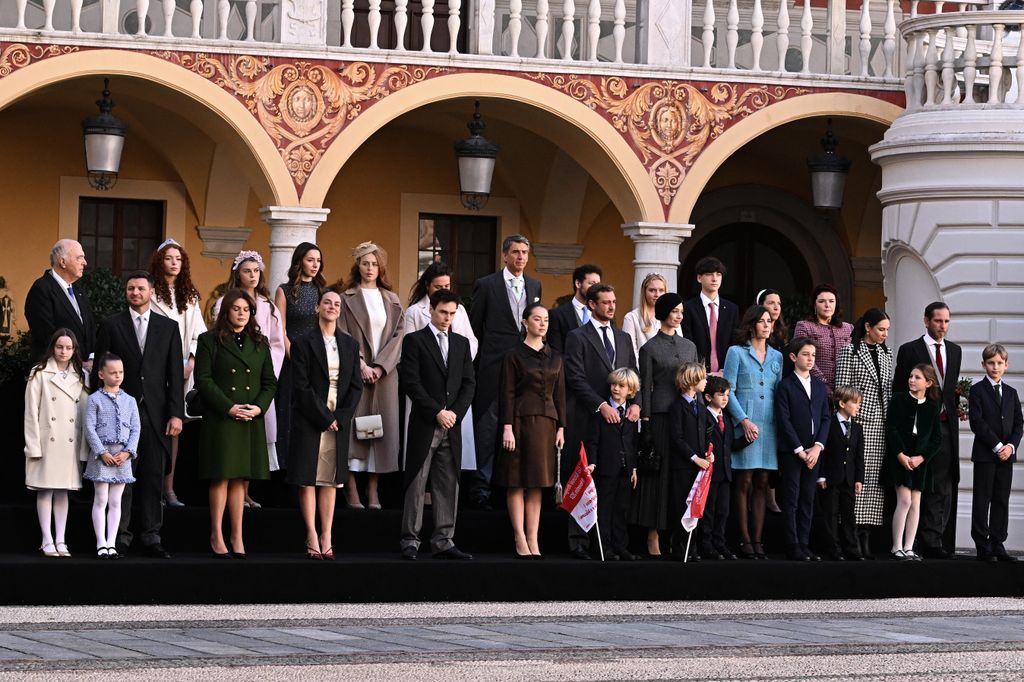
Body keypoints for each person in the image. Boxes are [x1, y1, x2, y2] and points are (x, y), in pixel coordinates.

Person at [92, 271, 183, 559]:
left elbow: (175, 376)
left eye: (140, 288)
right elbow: (101, 371)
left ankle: (151, 536)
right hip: (119, 414)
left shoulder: (168, 327)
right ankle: (120, 537)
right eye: (130, 288)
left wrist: (176, 414)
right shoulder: (110, 324)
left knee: (153, 475)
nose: (135, 293)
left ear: (152, 292)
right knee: (122, 476)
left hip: (156, 414)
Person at [194, 289, 278, 558]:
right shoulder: (209, 340)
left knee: (241, 480)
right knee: (221, 477)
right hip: (223, 417)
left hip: (250, 418)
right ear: (226, 311)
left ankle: (237, 536)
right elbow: (203, 380)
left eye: (246, 310)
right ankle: (216, 534)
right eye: (236, 309)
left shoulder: (261, 342)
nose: (242, 314)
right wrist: (229, 407)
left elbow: (269, 382)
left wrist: (258, 407)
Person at [563, 283, 639, 559]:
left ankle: (610, 544)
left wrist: (636, 403)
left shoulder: (623, 338)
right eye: (605, 302)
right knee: (584, 479)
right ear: (592, 305)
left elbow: (633, 373)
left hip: (618, 426)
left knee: (613, 489)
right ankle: (579, 542)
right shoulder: (577, 336)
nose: (611, 306)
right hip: (587, 418)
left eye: (614, 301)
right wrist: (600, 405)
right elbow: (575, 377)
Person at [399, 290, 476, 560]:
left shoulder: (461, 343)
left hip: (452, 424)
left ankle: (444, 540)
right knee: (416, 482)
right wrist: (436, 412)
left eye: (453, 313)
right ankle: (410, 540)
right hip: (425, 422)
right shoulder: (414, 341)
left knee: (448, 482)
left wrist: (454, 413)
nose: (448, 318)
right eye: (443, 312)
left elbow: (469, 383)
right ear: (431, 310)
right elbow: (410, 382)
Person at [287, 290, 363, 560]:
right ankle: (310, 533)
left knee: (331, 480)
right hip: (311, 417)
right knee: (308, 478)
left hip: (338, 419)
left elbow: (356, 386)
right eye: (327, 303)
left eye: (337, 304)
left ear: (340, 311)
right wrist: (324, 417)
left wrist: (340, 417)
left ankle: (326, 535)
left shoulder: (350, 344)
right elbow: (301, 386)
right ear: (317, 307)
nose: (332, 307)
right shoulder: (302, 342)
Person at [468, 235, 542, 510]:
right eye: (515, 252)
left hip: (524, 367)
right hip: (492, 366)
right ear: (505, 255)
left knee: (518, 426)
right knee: (487, 426)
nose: (521, 257)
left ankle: (509, 485)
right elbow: (475, 330)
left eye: (525, 252)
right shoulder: (486, 285)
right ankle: (481, 487)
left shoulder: (535, 285)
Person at [335, 241, 405, 509]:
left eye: (375, 264)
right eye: (365, 263)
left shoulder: (392, 299)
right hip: (356, 374)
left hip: (384, 376)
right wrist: (361, 364)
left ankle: (373, 490)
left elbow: (400, 336)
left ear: (381, 268)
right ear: (358, 266)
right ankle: (351, 489)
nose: (370, 268)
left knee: (379, 433)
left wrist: (380, 366)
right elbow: (343, 333)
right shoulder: (346, 298)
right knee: (355, 430)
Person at [214, 251, 287, 507]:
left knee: (254, 435)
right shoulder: (224, 301)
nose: (253, 276)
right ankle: (233, 492)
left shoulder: (268, 305)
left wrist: (269, 372)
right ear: (237, 273)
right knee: (235, 435)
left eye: (256, 271)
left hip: (258, 377)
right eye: (247, 271)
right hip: (232, 378)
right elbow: (218, 334)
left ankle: (245, 490)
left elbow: (277, 344)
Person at [892, 301, 962, 559]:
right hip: (916, 429)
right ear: (926, 321)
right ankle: (908, 543)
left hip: (944, 427)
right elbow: (899, 389)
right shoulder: (910, 349)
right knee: (914, 487)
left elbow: (949, 391)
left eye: (946, 321)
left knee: (941, 485)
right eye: (937, 321)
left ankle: (934, 541)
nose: (942, 326)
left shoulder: (955, 351)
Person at [497, 303, 566, 558]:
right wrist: (507, 427)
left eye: (545, 319)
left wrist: (562, 428)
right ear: (525, 322)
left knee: (538, 482)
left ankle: (533, 538)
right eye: (537, 319)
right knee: (516, 480)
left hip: (547, 423)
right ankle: (519, 537)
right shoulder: (513, 355)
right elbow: (507, 392)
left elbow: (561, 395)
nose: (542, 323)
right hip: (518, 422)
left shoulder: (556, 356)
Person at [631, 291, 697, 557]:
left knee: (680, 478)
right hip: (659, 417)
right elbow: (645, 388)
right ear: (664, 313)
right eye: (675, 311)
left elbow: (697, 384)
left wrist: (700, 416)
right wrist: (645, 424)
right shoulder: (649, 348)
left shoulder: (690, 346)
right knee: (658, 477)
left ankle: (678, 536)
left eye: (682, 311)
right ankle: (653, 535)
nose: (679, 315)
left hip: (685, 418)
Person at [404, 262, 479, 474]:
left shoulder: (460, 310)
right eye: (438, 286)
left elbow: (470, 341)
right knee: (422, 449)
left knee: (453, 451)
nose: (444, 289)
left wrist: (457, 365)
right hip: (427, 388)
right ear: (428, 286)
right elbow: (409, 349)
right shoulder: (415, 311)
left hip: (454, 385)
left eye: (447, 285)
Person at [148, 239, 206, 508]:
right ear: (160, 261)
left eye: (178, 259)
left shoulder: (190, 296)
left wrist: (191, 361)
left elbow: (200, 334)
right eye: (169, 258)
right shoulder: (149, 293)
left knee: (174, 428)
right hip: (154, 369)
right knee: (151, 427)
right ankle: (150, 488)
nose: (174, 263)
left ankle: (168, 489)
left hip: (182, 370)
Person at [723, 305, 783, 560]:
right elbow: (728, 390)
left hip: (770, 425)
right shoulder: (736, 352)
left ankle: (758, 540)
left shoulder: (778, 356)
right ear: (751, 325)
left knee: (762, 482)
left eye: (770, 321)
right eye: (761, 321)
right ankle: (744, 539)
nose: (767, 325)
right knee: (744, 481)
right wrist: (743, 421)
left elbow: (779, 392)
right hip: (745, 424)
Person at [23, 329, 89, 558]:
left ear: (74, 350)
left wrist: (84, 448)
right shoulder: (39, 373)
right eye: (60, 347)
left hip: (69, 442)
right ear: (52, 347)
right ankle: (46, 539)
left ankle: (61, 539)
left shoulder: (80, 375)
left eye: (69, 348)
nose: (64, 352)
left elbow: (83, 413)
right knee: (45, 490)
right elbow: (31, 412)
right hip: (46, 440)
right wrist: (33, 446)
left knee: (63, 491)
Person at [835, 308, 893, 559]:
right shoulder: (851, 351)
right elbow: (843, 388)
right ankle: (852, 533)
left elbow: (888, 389)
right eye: (881, 329)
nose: (884, 334)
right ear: (868, 327)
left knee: (873, 481)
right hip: (858, 421)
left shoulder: (886, 353)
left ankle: (866, 533)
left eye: (887, 330)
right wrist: (850, 422)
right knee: (857, 477)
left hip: (881, 423)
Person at [775, 337, 831, 562]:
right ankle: (792, 543)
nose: (810, 359)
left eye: (813, 355)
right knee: (791, 497)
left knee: (808, 498)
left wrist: (817, 447)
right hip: (793, 452)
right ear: (793, 357)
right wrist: (799, 449)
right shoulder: (785, 385)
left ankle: (805, 543)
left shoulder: (818, 386)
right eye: (806, 354)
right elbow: (784, 419)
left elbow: (826, 417)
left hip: (814, 453)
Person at [881, 364, 941, 561]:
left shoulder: (933, 408)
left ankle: (908, 547)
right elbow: (891, 427)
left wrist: (921, 457)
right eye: (911, 376)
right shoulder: (899, 399)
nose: (911, 380)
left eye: (917, 377)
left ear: (928, 383)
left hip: (919, 459)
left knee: (916, 503)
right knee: (904, 501)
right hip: (901, 456)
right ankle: (896, 546)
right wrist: (900, 454)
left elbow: (936, 439)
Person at [968, 344, 1022, 562]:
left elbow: (1019, 423)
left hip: (1007, 456)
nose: (995, 367)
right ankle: (982, 545)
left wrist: (1010, 447)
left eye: (999, 363)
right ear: (983, 365)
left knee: (1001, 498)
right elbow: (977, 422)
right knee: (983, 498)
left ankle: (998, 542)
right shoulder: (977, 390)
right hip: (985, 454)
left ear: (1006, 365)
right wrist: (998, 446)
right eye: (991, 363)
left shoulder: (1011, 393)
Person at [274, 242, 325, 470]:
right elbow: (280, 328)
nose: (315, 265)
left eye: (318, 260)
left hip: (316, 360)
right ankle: (286, 465)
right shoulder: (284, 290)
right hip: (291, 359)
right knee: (287, 410)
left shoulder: (322, 292)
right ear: (299, 261)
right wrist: (293, 355)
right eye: (310, 260)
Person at [83, 353, 139, 560]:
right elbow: (89, 428)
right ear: (101, 374)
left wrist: (127, 452)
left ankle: (112, 543)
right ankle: (100, 543)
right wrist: (102, 452)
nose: (118, 376)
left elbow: (136, 429)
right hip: (102, 456)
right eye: (113, 372)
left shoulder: (130, 400)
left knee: (116, 500)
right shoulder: (94, 399)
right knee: (101, 498)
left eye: (121, 372)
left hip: (123, 457)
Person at [583, 368, 640, 561]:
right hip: (606, 468)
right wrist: (592, 463)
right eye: (614, 384)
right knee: (604, 508)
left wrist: (633, 468)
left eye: (621, 386)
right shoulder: (602, 411)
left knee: (621, 508)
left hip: (625, 469)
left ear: (630, 390)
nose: (616, 388)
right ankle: (602, 547)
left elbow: (633, 442)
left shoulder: (633, 413)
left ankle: (620, 546)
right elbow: (592, 441)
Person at [24, 239, 96, 369]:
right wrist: (77, 363)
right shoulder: (41, 289)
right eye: (80, 257)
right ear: (63, 262)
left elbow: (90, 328)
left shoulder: (78, 289)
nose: (84, 263)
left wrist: (91, 358)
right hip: (55, 373)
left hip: (83, 373)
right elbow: (46, 336)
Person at [818, 385, 865, 561]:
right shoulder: (828, 424)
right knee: (830, 514)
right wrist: (821, 475)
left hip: (849, 479)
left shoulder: (858, 428)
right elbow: (822, 452)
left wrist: (859, 479)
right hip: (830, 477)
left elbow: (859, 457)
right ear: (843, 403)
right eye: (855, 403)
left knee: (849, 515)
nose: (858, 406)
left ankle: (852, 549)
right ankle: (833, 549)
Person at [667, 362, 708, 561]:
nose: (706, 381)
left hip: (700, 467)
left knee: (696, 506)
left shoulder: (701, 407)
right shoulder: (677, 407)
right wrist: (694, 458)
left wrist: (708, 455)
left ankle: (692, 547)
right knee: (682, 504)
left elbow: (706, 434)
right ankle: (679, 545)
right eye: (703, 378)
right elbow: (677, 438)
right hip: (684, 466)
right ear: (693, 381)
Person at [792, 284, 853, 398]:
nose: (827, 305)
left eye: (831, 301)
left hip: (844, 392)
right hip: (813, 388)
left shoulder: (848, 328)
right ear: (814, 304)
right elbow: (802, 358)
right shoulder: (804, 326)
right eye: (822, 301)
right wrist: (824, 385)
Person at [681, 256, 738, 375]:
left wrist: (727, 369)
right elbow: (687, 342)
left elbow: (735, 343)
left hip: (725, 374)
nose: (714, 278)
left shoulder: (732, 309)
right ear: (699, 278)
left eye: (718, 274)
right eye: (709, 274)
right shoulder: (688, 308)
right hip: (696, 375)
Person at [702, 375, 735, 560]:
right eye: (721, 394)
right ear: (708, 397)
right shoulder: (704, 416)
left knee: (723, 511)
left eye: (727, 395)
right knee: (709, 510)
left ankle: (719, 543)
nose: (725, 399)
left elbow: (728, 445)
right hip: (710, 473)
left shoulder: (727, 419)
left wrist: (748, 440)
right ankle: (706, 544)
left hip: (725, 473)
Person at [547, 264, 601, 354]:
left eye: (598, 285)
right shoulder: (557, 314)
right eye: (591, 283)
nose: (596, 289)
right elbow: (556, 352)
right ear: (578, 283)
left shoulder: (601, 312)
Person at [622, 273, 675, 361]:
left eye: (661, 290)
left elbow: (679, 346)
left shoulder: (672, 316)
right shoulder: (631, 318)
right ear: (644, 291)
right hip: (643, 370)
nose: (657, 294)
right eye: (652, 290)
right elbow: (630, 352)